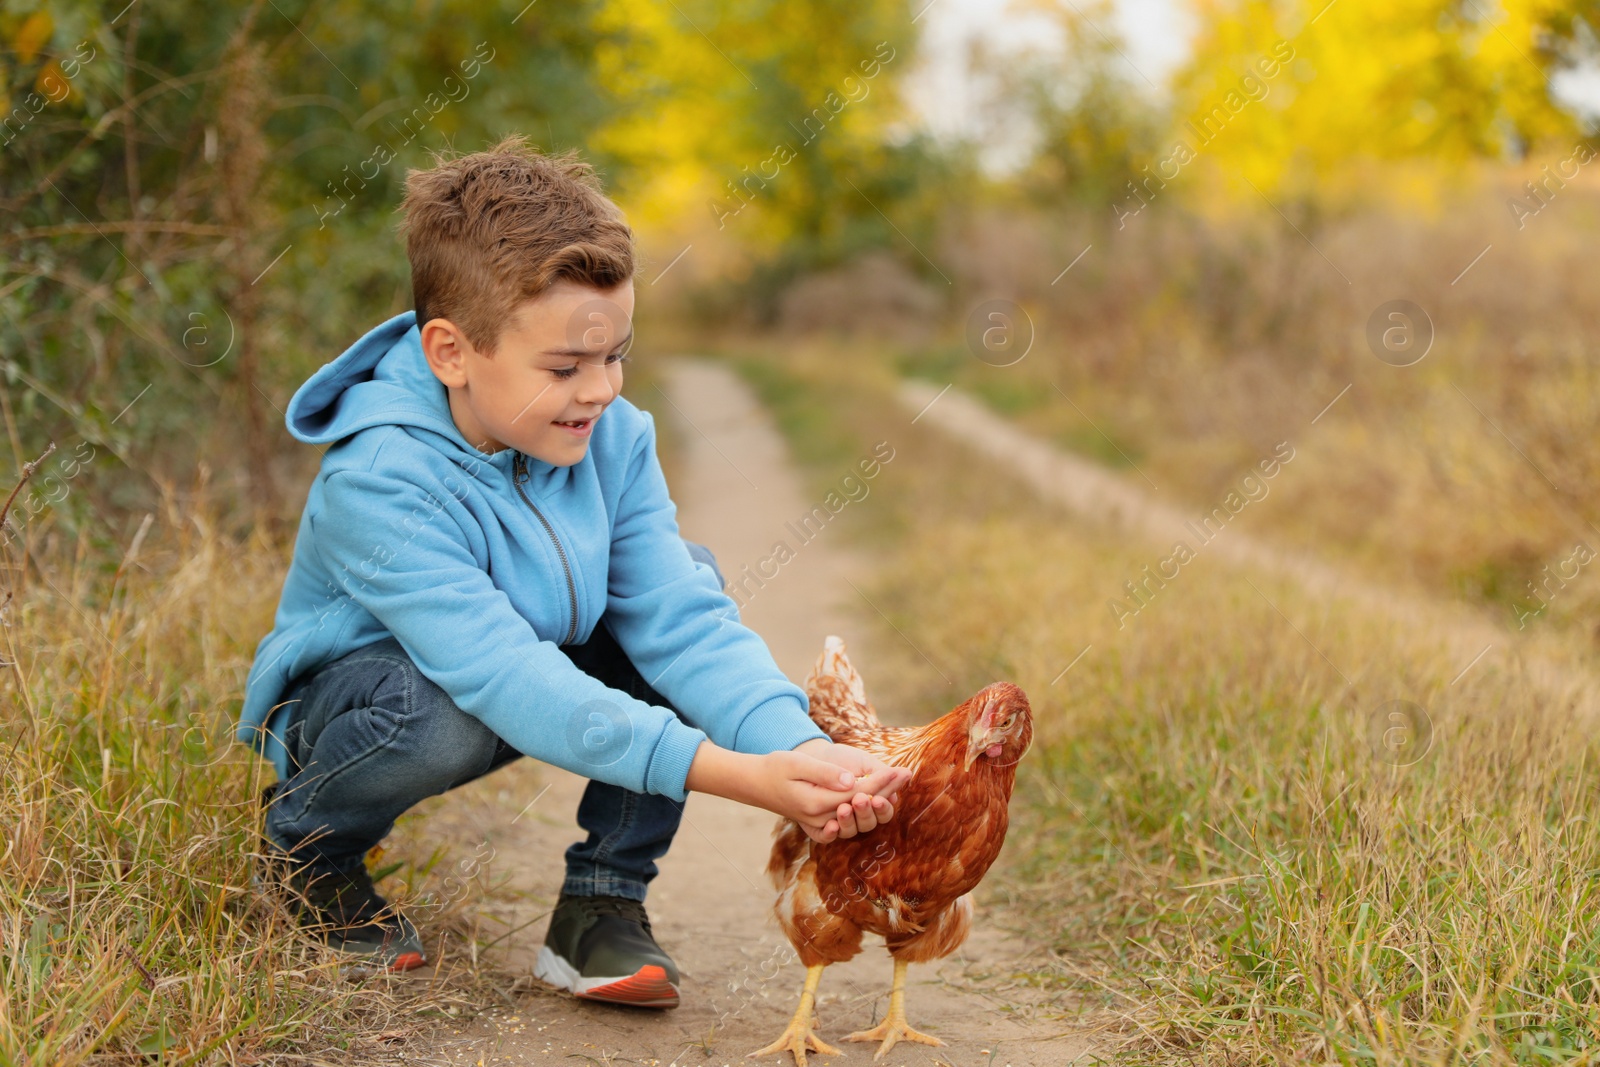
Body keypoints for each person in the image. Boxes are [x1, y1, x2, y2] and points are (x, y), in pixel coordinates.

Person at [237, 134, 909, 1008]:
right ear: (451, 352)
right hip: (370, 706)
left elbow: (684, 620)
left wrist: (800, 751)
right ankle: (307, 853)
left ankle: (599, 906)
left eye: (614, 354)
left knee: (673, 604)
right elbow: (504, 677)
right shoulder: (380, 480)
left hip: (518, 677)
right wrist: (745, 779)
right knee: (435, 711)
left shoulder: (615, 440)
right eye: (564, 366)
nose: (599, 390)